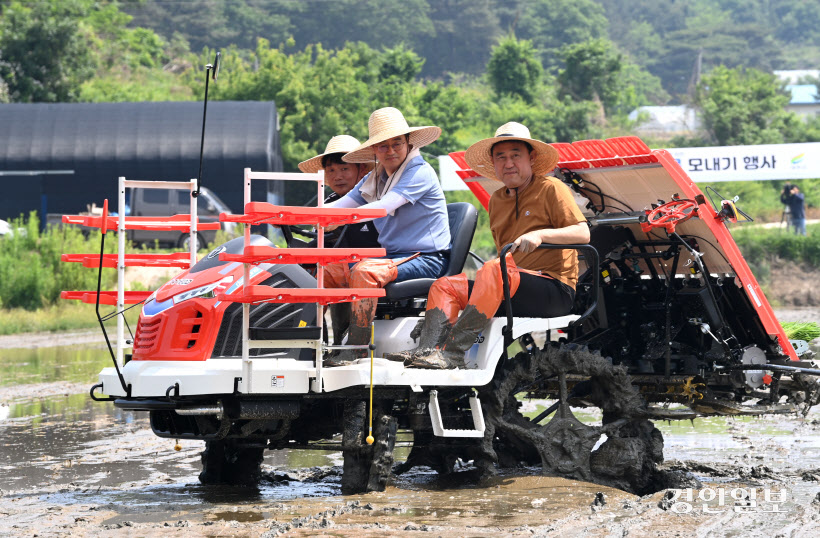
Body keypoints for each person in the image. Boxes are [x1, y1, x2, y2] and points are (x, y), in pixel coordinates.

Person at [387, 122, 589, 369]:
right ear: (494, 163)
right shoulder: (497, 200)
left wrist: (540, 235)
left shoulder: (551, 188)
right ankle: (427, 352)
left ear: (531, 157)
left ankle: (452, 353)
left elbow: (583, 233)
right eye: (501, 157)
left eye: (516, 155)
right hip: (510, 286)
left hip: (553, 289)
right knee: (445, 285)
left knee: (495, 269)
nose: (508, 163)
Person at [322, 107, 452, 366]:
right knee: (326, 270)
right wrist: (295, 215)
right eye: (383, 146)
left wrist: (333, 219)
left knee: (364, 271)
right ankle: (327, 344)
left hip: (425, 257)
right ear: (374, 151)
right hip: (393, 257)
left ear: (408, 144)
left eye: (397, 144)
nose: (391, 151)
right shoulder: (376, 177)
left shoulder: (419, 172)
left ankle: (356, 349)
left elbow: (384, 207)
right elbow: (342, 204)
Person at [298, 135, 379, 248]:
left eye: (344, 169)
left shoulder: (376, 201)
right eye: (331, 170)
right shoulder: (327, 204)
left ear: (362, 169)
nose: (337, 177)